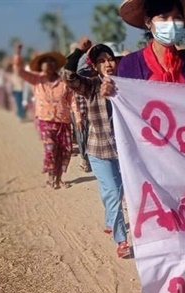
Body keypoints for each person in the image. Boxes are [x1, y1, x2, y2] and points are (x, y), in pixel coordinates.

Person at [101, 0, 185, 293]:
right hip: (148, 169)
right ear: (148, 22)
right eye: (163, 17)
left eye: (176, 18)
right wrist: (110, 93)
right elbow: (121, 114)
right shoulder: (129, 66)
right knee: (168, 239)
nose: (170, 23)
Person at [63, 37, 130, 258]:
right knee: (112, 191)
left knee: (118, 190)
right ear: (95, 65)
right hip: (99, 150)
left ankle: (111, 220)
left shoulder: (127, 85)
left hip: (123, 151)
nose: (108, 64)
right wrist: (77, 52)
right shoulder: (90, 86)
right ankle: (121, 239)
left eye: (111, 59)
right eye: (102, 61)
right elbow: (68, 76)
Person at [13, 43, 74, 189]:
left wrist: (77, 117)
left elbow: (72, 100)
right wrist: (18, 53)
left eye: (52, 62)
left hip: (63, 121)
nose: (50, 65)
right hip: (45, 121)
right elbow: (19, 71)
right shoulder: (36, 79)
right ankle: (51, 177)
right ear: (41, 66)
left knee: (63, 150)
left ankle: (58, 179)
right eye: (46, 62)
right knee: (51, 149)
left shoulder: (63, 81)